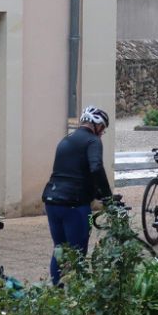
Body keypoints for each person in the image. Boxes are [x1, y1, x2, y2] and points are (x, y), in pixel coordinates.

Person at [42, 105, 112, 285]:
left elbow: (75, 172)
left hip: (52, 201)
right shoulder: (93, 141)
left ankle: (57, 292)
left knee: (60, 249)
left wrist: (96, 192)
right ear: (97, 125)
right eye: (103, 129)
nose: (102, 133)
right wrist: (108, 197)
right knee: (78, 251)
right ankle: (77, 292)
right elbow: (96, 168)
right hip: (75, 205)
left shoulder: (66, 140)